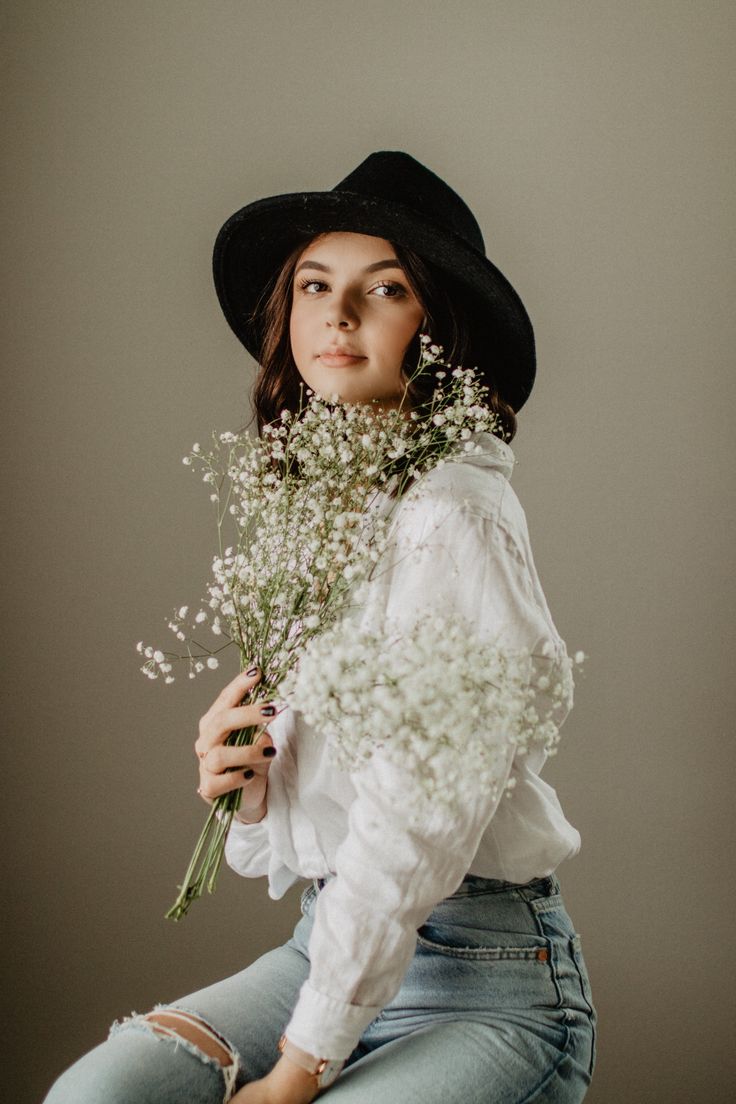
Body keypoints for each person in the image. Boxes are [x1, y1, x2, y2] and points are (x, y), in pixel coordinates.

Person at [43, 151, 598, 1104]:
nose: (337, 315)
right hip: (326, 946)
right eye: (314, 285)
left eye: (384, 290)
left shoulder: (451, 509)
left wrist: (301, 1069)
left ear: (438, 327)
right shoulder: (330, 507)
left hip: (490, 980)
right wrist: (247, 788)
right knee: (98, 1096)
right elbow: (322, 835)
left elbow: (415, 826)